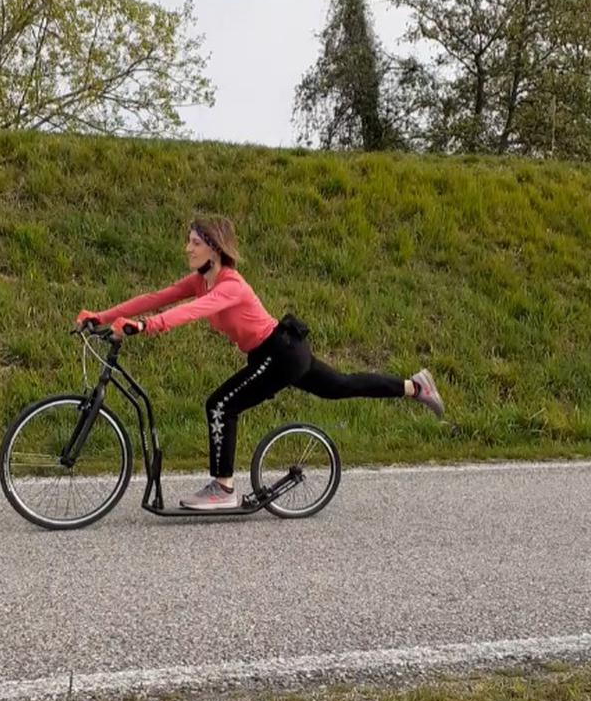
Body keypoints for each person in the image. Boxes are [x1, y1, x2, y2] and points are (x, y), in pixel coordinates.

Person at [75, 216, 445, 511]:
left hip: (279, 353)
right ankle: (415, 387)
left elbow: (191, 312)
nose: (187, 248)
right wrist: (103, 316)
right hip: (276, 352)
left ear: (215, 249)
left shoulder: (230, 284)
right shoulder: (201, 280)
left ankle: (223, 487)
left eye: (195, 243)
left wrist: (145, 327)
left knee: (221, 405)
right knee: (341, 387)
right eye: (189, 241)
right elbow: (156, 297)